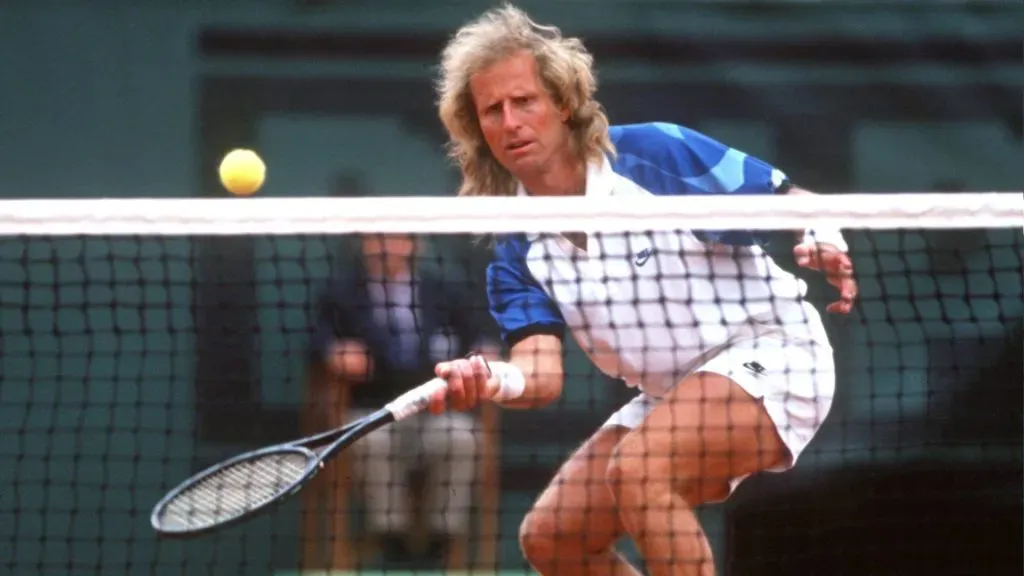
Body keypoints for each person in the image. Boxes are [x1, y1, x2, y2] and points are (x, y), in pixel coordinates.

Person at [427, 4, 859, 576]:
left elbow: (793, 202)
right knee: (552, 539)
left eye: (524, 101)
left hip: (775, 353)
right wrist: (493, 378)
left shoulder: (654, 155)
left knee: (640, 472)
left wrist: (821, 236)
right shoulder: (516, 247)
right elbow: (541, 372)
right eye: (492, 110)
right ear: (478, 128)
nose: (511, 122)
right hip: (672, 393)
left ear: (561, 102)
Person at [310, 232, 497, 565]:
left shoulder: (442, 291)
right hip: (370, 412)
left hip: (436, 409)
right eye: (378, 239)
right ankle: (391, 535)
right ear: (365, 245)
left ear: (414, 245)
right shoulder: (340, 294)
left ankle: (440, 537)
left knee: (463, 438)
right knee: (371, 442)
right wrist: (334, 353)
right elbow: (318, 342)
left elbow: (477, 338)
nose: (387, 247)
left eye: (398, 239)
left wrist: (483, 357)